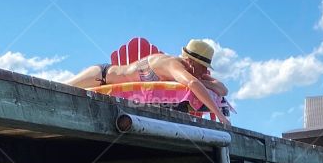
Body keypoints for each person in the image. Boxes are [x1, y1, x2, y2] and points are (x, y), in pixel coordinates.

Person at [70, 39, 230, 124]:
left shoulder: (191, 71)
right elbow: (193, 84)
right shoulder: (173, 65)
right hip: (101, 75)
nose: (205, 71)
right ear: (190, 61)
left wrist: (205, 82)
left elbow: (223, 90)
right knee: (59, 88)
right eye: (203, 66)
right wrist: (219, 116)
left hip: (106, 79)